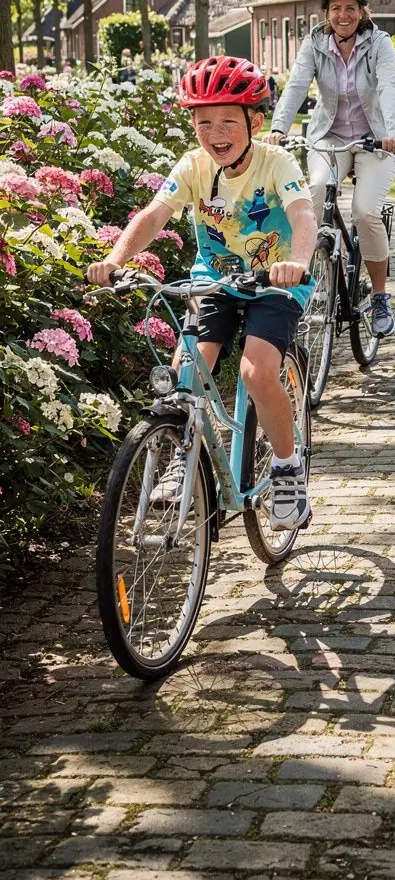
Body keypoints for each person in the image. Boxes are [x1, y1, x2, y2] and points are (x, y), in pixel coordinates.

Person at [86, 55, 317, 529]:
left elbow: (302, 217)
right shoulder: (193, 166)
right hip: (215, 279)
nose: (216, 132)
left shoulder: (277, 162)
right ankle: (181, 453)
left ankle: (288, 467)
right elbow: (153, 215)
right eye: (203, 121)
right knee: (187, 370)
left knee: (256, 372)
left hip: (274, 281)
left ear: (255, 121)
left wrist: (298, 261)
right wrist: (115, 259)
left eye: (229, 121)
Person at [269, 0, 395, 338]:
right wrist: (279, 128)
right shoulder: (314, 43)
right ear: (326, 14)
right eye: (335, 9)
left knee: (365, 211)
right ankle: (316, 278)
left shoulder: (379, 43)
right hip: (328, 136)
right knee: (315, 192)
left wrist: (394, 133)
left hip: (376, 139)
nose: (343, 15)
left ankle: (379, 297)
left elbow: (390, 87)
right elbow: (297, 84)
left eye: (350, 8)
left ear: (362, 12)